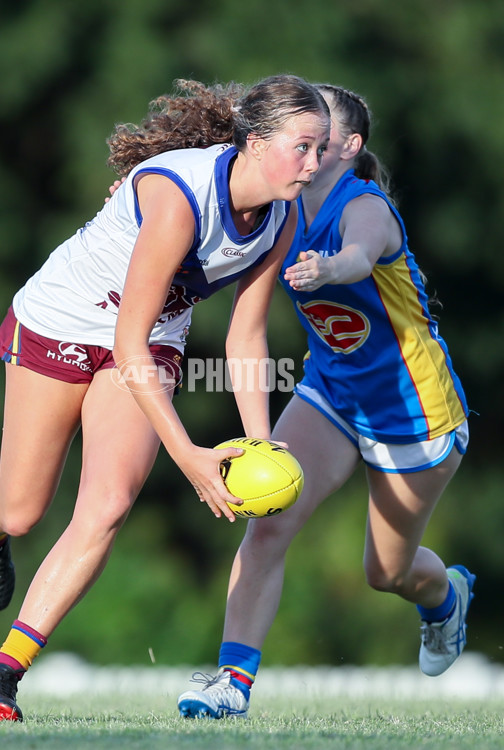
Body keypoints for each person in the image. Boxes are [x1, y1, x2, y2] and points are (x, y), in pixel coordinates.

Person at [0, 75, 331, 722]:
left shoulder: (282, 216)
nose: (313, 163)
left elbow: (245, 337)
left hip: (148, 341)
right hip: (63, 328)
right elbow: (124, 339)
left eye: (321, 148)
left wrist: (258, 439)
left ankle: (1, 676)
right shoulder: (179, 198)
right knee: (21, 511)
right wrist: (187, 453)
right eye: (302, 146)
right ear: (253, 141)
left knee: (106, 506)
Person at [177, 83, 475, 719]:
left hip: (414, 414)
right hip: (331, 392)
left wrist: (327, 268)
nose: (306, 144)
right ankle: (231, 684)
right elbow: (200, 177)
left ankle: (444, 598)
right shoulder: (280, 205)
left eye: (320, 132)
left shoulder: (363, 203)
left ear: (349, 145)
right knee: (270, 520)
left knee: (385, 572)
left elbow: (362, 257)